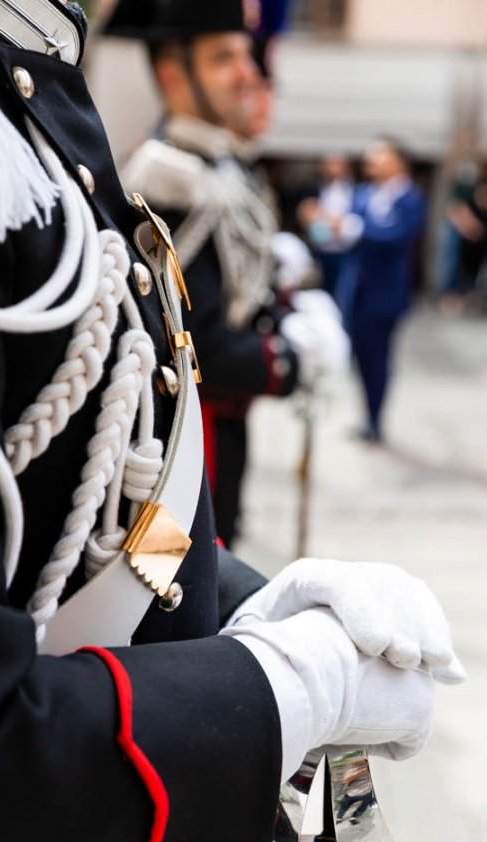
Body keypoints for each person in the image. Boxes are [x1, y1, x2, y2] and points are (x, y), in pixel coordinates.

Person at [0, 3, 463, 842]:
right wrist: (273, 692)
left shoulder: (25, 79)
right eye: (227, 55)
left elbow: (95, 509)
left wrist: (239, 600)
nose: (251, 76)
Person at [111, 0, 348, 547]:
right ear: (174, 74)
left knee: (219, 564)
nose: (248, 73)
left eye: (246, 55)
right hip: (178, 443)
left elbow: (238, 294)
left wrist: (285, 309)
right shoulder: (167, 177)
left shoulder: (220, 169)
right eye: (225, 58)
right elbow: (191, 346)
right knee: (176, 583)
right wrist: (286, 361)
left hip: (223, 431)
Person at [336, 137, 426, 443]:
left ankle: (375, 419)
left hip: (386, 295)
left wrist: (350, 228)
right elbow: (348, 238)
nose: (371, 161)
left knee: (378, 359)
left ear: (398, 161)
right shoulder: (362, 195)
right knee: (359, 357)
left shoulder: (410, 199)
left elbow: (394, 238)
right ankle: (367, 416)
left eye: (379, 155)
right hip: (357, 291)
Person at [296, 154, 356, 301]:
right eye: (328, 164)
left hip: (346, 250)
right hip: (321, 248)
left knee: (344, 293)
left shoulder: (355, 191)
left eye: (336, 164)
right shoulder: (312, 188)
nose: (332, 169)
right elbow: (303, 215)